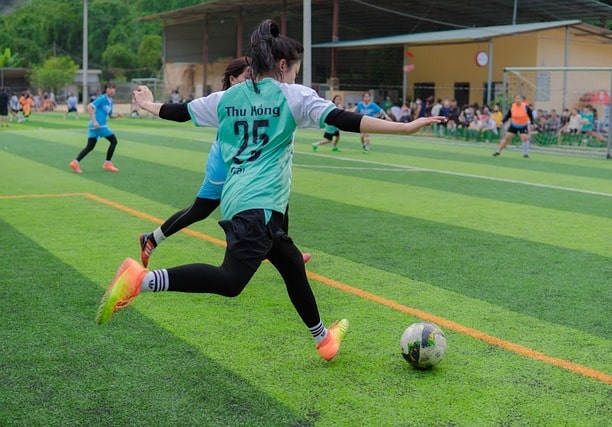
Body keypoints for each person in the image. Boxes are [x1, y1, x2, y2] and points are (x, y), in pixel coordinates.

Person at [97, 19, 446, 363]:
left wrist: (145, 104)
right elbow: (344, 119)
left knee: (292, 263)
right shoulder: (293, 96)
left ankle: (324, 340)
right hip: (260, 205)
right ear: (281, 66)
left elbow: (178, 112)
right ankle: (141, 279)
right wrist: (405, 127)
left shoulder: (227, 97)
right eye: (295, 70)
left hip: (237, 200)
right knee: (230, 281)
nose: (296, 76)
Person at [139, 57, 312, 268]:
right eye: (247, 76)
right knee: (200, 210)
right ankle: (152, 238)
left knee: (278, 197)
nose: (253, 81)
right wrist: (148, 104)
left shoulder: (258, 99)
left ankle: (285, 251)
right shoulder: (228, 100)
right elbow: (182, 111)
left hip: (244, 165)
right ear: (232, 80)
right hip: (225, 164)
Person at [69, 83, 122, 173]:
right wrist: (94, 121)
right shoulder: (102, 98)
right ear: (105, 89)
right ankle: (107, 164)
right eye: (109, 88)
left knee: (90, 146)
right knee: (114, 141)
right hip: (99, 125)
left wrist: (117, 115)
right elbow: (89, 107)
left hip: (95, 126)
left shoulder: (111, 101)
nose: (112, 90)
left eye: (113, 88)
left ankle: (75, 163)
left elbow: (110, 115)